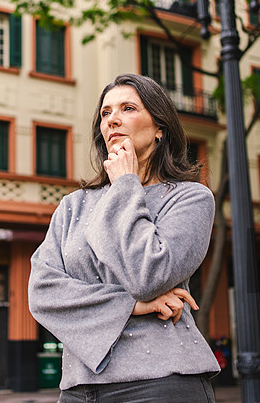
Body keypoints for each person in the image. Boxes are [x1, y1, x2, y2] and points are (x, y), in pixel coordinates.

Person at [28, 73, 219, 402]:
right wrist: (133, 305)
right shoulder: (73, 205)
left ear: (159, 128)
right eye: (105, 113)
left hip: (161, 381)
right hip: (77, 387)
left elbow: (149, 274)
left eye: (128, 108)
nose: (113, 119)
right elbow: (42, 294)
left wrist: (126, 186)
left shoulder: (190, 199)